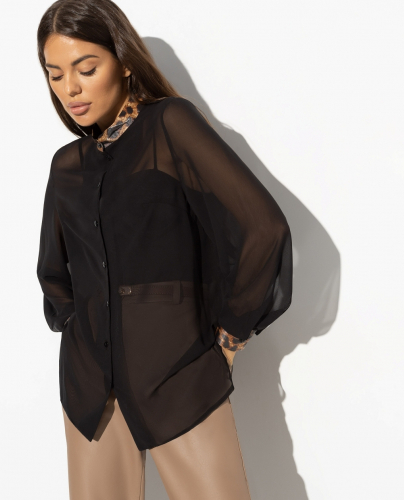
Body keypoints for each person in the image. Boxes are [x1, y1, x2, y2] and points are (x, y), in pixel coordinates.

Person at [36, 1, 293, 499]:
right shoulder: (67, 165)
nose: (71, 89)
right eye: (55, 74)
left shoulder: (170, 125)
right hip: (92, 390)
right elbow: (54, 271)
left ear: (123, 61)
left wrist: (230, 336)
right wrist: (78, 329)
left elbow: (263, 227)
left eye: (86, 68)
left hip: (178, 375)